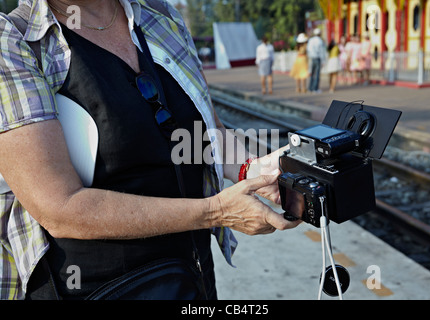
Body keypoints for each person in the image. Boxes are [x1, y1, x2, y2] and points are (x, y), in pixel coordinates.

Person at [0, 0, 301, 300]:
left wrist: (255, 171)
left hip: (191, 275)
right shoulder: (17, 40)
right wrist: (216, 212)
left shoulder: (160, 15)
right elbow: (59, 208)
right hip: (100, 288)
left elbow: (207, 132)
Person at [306, 28, 327, 93]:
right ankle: (315, 88)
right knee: (317, 74)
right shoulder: (320, 41)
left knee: (312, 74)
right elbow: (321, 52)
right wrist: (323, 61)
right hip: (317, 58)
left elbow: (308, 49)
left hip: (313, 58)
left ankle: (310, 88)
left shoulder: (311, 40)